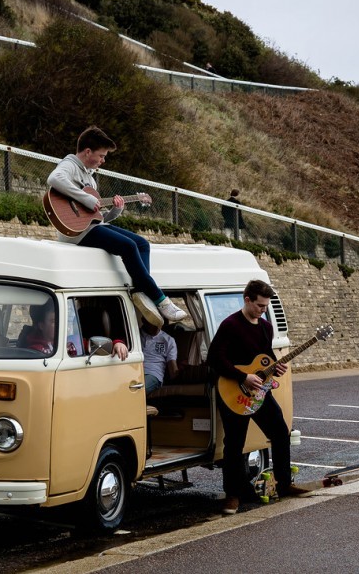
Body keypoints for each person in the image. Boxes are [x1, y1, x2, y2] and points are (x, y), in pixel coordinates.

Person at [47, 126, 187, 328]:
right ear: (88, 152)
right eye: (101, 155)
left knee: (142, 244)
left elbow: (95, 218)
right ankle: (160, 299)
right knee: (128, 246)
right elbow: (54, 179)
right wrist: (85, 198)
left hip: (90, 227)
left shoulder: (90, 177)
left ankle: (140, 290)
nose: (103, 160)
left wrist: (115, 211)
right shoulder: (70, 164)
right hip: (76, 234)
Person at [207, 279, 309, 515]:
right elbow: (214, 358)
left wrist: (277, 367)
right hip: (233, 391)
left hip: (260, 393)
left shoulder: (265, 327)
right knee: (233, 444)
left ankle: (284, 485)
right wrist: (242, 377)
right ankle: (232, 495)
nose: (264, 311)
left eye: (266, 306)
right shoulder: (230, 325)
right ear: (247, 300)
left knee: (281, 434)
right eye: (260, 306)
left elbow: (265, 357)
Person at [140, 320, 179, 394]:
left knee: (137, 390)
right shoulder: (134, 335)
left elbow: (173, 370)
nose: (156, 326)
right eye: (152, 322)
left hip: (153, 374)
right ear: (144, 320)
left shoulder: (168, 340)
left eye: (158, 323)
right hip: (132, 371)